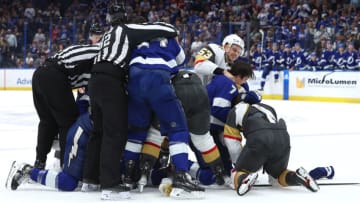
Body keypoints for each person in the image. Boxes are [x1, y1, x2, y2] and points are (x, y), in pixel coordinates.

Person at [81, 4, 180, 200]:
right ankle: (110, 185)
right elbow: (165, 29)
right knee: (115, 132)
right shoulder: (127, 29)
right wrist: (173, 32)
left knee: (98, 132)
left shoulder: (108, 34)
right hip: (111, 80)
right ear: (124, 18)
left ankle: (89, 180)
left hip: (95, 80)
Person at [31, 24, 102, 170]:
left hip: (40, 74)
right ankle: (67, 165)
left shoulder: (86, 50)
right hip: (55, 77)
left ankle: (39, 162)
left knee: (47, 122)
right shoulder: (102, 51)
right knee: (68, 121)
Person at [222, 101, 320, 195]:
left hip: (260, 137)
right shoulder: (267, 107)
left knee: (236, 173)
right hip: (283, 138)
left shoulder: (234, 110)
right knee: (277, 178)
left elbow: (232, 142)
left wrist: (241, 165)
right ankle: (296, 177)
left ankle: (243, 178)